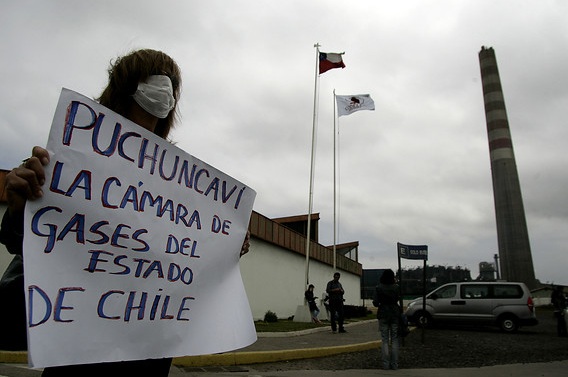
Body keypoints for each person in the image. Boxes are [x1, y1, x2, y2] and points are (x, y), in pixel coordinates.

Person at [0, 49, 251, 376]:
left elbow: (184, 272)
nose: (164, 90)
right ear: (123, 89)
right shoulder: (66, 167)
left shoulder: (180, 191)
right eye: (152, 76)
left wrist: (226, 246)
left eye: (171, 84)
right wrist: (22, 209)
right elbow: (32, 270)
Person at [373, 269, 400, 370]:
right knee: (395, 340)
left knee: (384, 340)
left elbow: (375, 302)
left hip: (383, 313)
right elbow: (398, 299)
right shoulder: (396, 287)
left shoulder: (378, 287)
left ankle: (385, 364)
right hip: (394, 313)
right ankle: (394, 364)